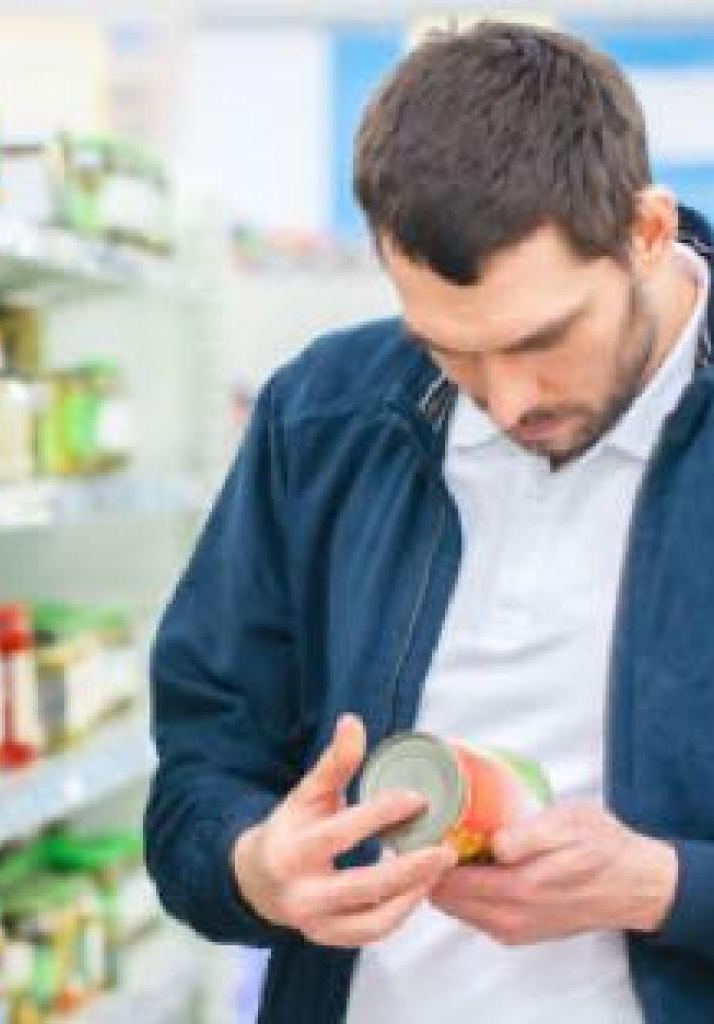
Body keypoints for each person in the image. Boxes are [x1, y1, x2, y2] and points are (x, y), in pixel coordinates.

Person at [145, 20, 714, 1024]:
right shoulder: (323, 416)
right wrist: (254, 865)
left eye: (541, 339)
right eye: (449, 349)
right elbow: (201, 769)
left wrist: (665, 885)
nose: (503, 397)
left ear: (647, 231)